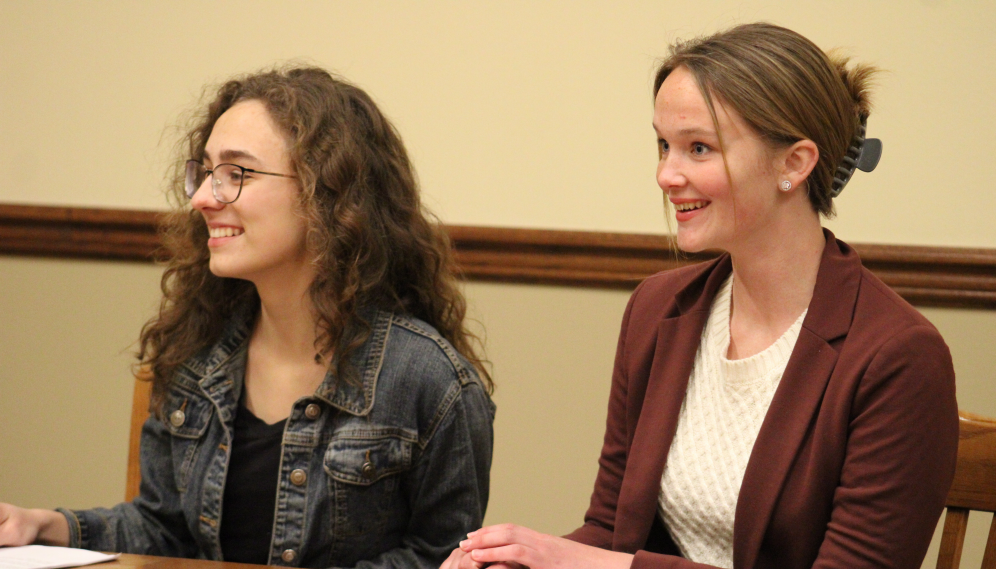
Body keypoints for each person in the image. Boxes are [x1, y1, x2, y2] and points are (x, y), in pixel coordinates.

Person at [445, 22, 957, 569]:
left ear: (795, 163)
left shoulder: (899, 356)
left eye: (698, 148)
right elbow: (612, 528)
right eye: (664, 145)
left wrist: (587, 563)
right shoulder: (658, 308)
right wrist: (516, 561)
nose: (667, 174)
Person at [0, 66, 496, 569]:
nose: (201, 199)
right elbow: (164, 530)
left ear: (328, 194)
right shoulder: (195, 350)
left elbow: (441, 559)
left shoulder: (430, 380)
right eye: (207, 172)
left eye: (236, 174)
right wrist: (47, 526)